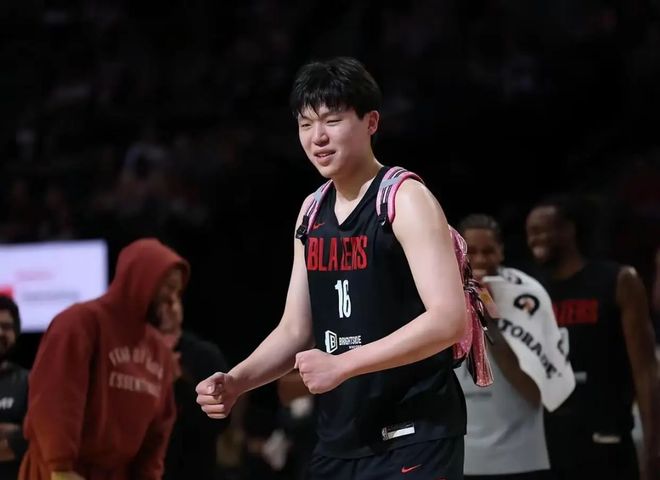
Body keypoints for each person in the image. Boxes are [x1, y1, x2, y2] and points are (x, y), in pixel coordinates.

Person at [196, 56, 468, 480]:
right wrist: (237, 382)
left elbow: (449, 320)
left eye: (333, 121)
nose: (317, 137)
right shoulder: (311, 211)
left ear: (371, 122)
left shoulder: (404, 199)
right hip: (340, 437)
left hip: (415, 433)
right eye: (306, 124)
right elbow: (295, 331)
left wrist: (344, 364)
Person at [20, 238, 189, 480]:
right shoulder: (80, 323)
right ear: (140, 280)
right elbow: (56, 395)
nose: (173, 300)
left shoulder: (158, 349)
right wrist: (60, 466)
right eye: (167, 287)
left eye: (177, 291)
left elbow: (159, 427)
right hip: (60, 471)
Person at [526, 194, 660, 480]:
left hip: (607, 435)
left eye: (541, 230)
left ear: (568, 230)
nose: (534, 240)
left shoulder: (617, 280)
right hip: (551, 440)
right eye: (530, 233)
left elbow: (646, 370)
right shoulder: (531, 292)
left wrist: (653, 446)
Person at [458, 214, 572, 480]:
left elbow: (537, 392)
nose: (480, 260)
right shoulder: (435, 289)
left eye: (488, 251)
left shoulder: (528, 294)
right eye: (471, 251)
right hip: (461, 456)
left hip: (519, 456)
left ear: (501, 252)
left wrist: (489, 316)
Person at [157, 296, 230, 480]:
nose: (168, 309)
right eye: (160, 302)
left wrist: (179, 382)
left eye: (173, 301)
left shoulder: (205, 355)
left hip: (193, 467)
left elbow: (220, 421)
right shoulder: (133, 353)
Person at [0, 295, 29, 478]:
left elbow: (37, 441)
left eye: (6, 327)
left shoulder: (30, 382)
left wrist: (20, 439)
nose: (0, 332)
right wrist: (15, 433)